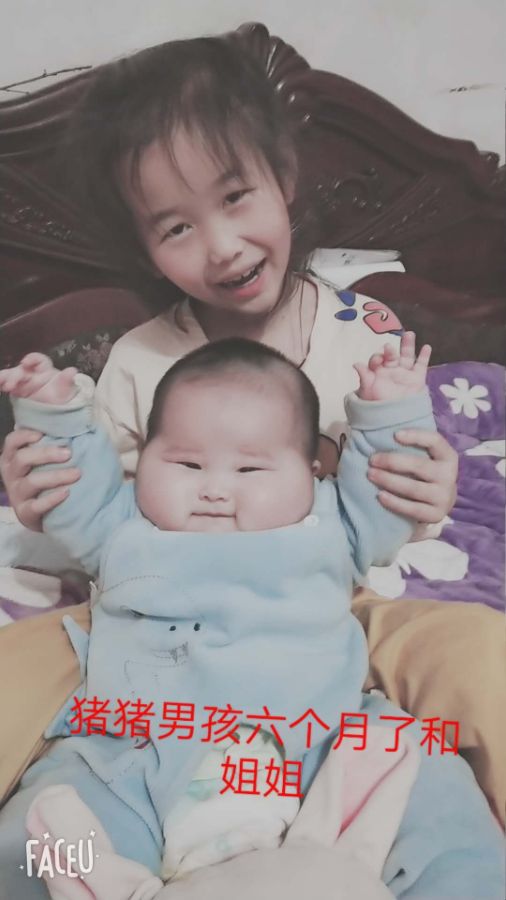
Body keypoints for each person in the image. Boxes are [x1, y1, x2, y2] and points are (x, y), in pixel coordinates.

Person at [0, 36, 503, 826]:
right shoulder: (136, 363)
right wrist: (45, 493)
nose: (222, 245)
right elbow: (98, 521)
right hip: (150, 632)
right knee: (15, 682)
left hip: (328, 616)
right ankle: (70, 849)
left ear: (284, 177)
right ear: (144, 249)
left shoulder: (366, 334)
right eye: (175, 228)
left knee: (481, 654)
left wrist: (427, 494)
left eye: (236, 196)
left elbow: (390, 509)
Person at [0, 337, 503, 900]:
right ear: (141, 464)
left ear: (312, 473)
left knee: (434, 788)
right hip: (136, 753)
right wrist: (53, 411)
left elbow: (391, 489)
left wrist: (391, 410)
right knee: (37, 838)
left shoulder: (335, 521)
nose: (214, 489)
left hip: (322, 741)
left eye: (250, 468)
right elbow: (69, 488)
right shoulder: (120, 526)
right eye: (186, 464)